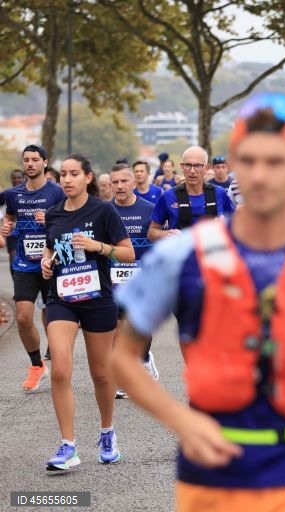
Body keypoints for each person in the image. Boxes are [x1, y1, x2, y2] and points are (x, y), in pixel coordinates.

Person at [111, 92, 285, 511]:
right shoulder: (184, 254)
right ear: (234, 169)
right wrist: (182, 420)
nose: (263, 175)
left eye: (276, 161)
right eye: (251, 160)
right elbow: (122, 358)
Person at [41, 153, 135, 470]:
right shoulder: (54, 213)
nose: (66, 180)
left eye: (73, 174)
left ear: (88, 178)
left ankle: (107, 433)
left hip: (97, 299)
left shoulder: (103, 211)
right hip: (62, 298)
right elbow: (51, 246)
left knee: (101, 372)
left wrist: (99, 247)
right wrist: (45, 259)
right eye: (63, 175)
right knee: (60, 368)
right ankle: (68, 446)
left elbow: (127, 253)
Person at [2, 145, 66, 392]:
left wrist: (49, 219)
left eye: (35, 160)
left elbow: (69, 220)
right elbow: (9, 217)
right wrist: (6, 227)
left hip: (52, 261)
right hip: (25, 263)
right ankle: (37, 365)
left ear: (44, 163)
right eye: (26, 160)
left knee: (55, 316)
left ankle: (61, 359)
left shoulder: (57, 193)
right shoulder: (14, 195)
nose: (30, 164)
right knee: (22, 317)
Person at [108, 163, 159, 399]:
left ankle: (144, 358)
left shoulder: (150, 209)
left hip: (143, 279)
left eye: (123, 181)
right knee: (117, 329)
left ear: (133, 182)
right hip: (113, 279)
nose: (119, 186)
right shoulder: (104, 211)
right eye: (115, 182)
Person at [148, 147, 234, 241]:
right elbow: (151, 232)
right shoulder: (169, 195)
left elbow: (237, 225)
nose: (192, 171)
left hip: (211, 253)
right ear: (182, 166)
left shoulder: (219, 193)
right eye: (188, 165)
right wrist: (166, 234)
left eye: (198, 165)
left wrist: (225, 225)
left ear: (206, 168)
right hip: (181, 253)